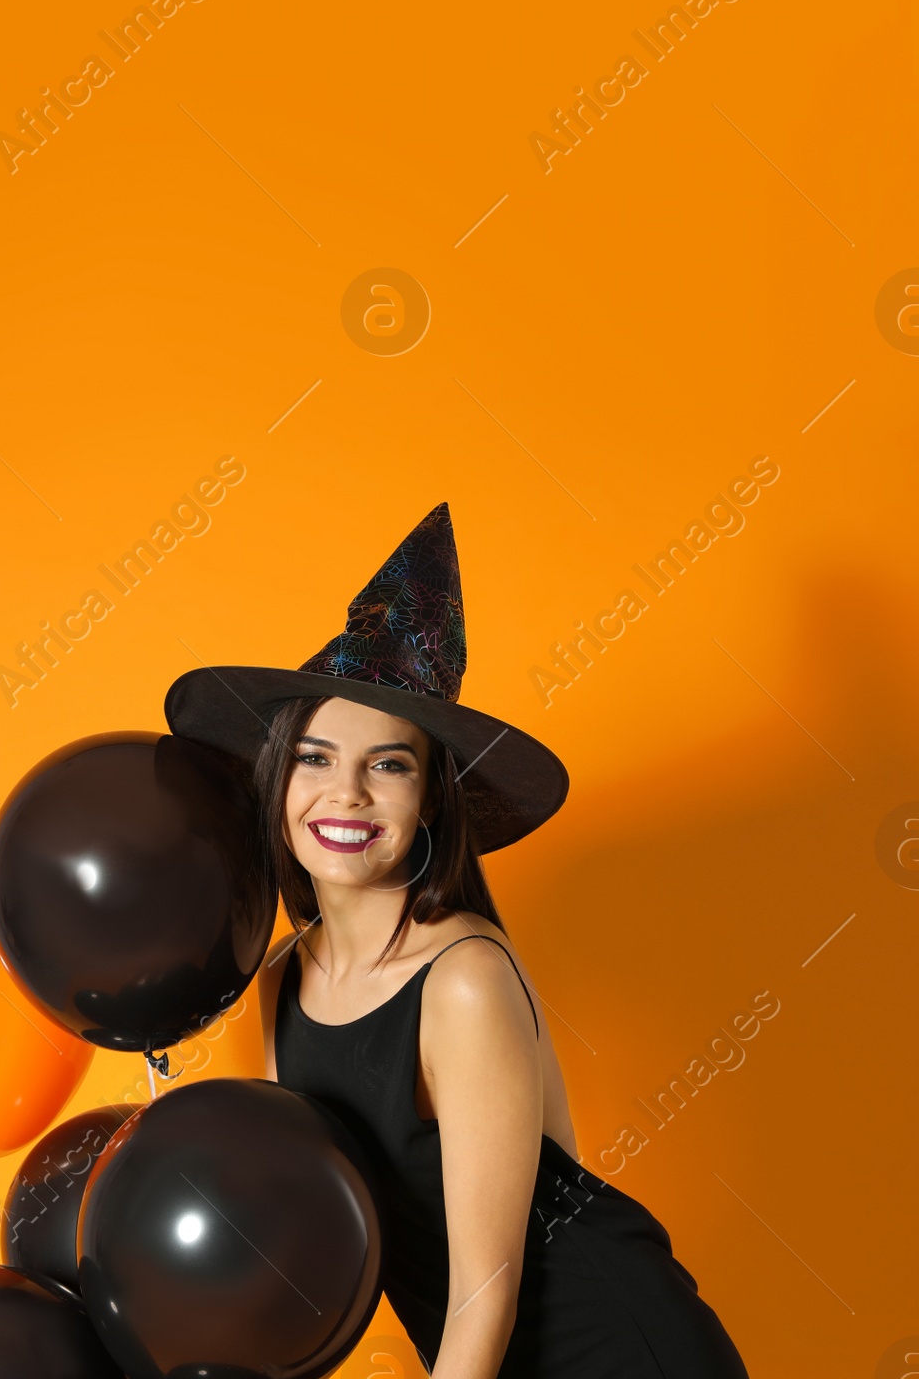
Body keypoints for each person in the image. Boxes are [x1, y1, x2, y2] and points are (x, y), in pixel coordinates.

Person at [164, 504, 748, 1379]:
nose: (346, 794)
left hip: (608, 1350)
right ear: (279, 777)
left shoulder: (463, 979)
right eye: (316, 759)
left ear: (432, 799)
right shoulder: (281, 980)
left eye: (388, 765)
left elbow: (486, 1291)